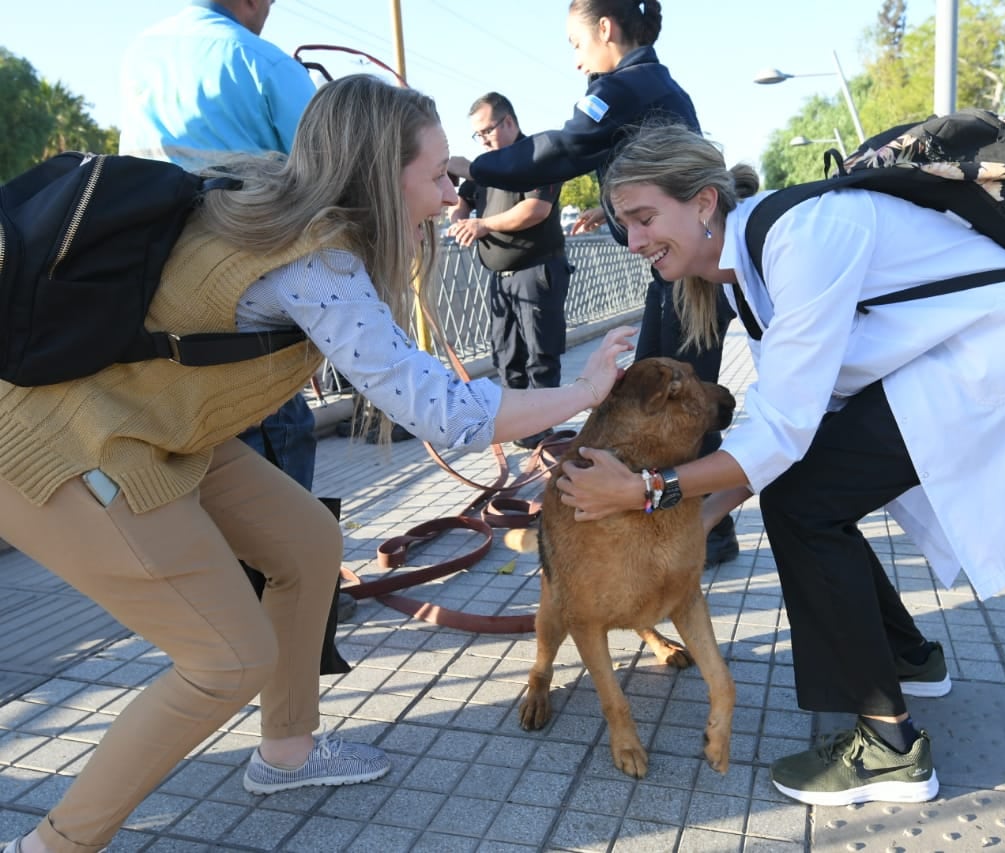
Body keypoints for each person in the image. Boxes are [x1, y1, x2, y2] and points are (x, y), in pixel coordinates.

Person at [0, 75, 634, 853]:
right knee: (225, 657)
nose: (448, 196)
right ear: (376, 173)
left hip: (154, 421)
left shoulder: (282, 199)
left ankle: (287, 751)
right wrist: (582, 393)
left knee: (305, 539)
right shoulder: (316, 262)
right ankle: (53, 845)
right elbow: (442, 412)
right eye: (436, 176)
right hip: (61, 441)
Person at [554, 124, 1005, 806]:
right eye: (625, 225)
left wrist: (650, 490)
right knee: (803, 491)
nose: (634, 242)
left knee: (804, 503)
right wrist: (702, 509)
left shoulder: (801, 237)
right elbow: (783, 422)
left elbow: (784, 432)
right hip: (958, 357)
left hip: (998, 353)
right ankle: (904, 656)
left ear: (703, 203)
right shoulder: (744, 271)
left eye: (644, 219)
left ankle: (888, 744)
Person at [447, 0, 740, 567]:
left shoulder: (631, 83)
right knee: (654, 391)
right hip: (677, 270)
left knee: (679, 400)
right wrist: (614, 214)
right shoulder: (651, 86)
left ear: (606, 29)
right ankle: (670, 519)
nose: (578, 62)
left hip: (690, 279)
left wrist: (473, 167)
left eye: (577, 45)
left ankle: (703, 529)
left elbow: (563, 148)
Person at [117, 0, 354, 620]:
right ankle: (297, 600)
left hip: (161, 299)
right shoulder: (260, 62)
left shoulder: (143, 54)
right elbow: (334, 179)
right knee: (277, 435)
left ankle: (226, 600)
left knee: (209, 452)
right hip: (247, 296)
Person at [448, 93, 573, 450]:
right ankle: (517, 426)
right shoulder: (486, 166)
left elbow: (535, 210)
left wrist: (483, 225)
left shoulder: (537, 157)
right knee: (506, 354)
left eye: (487, 130)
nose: (484, 139)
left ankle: (544, 433)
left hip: (535, 271)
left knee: (540, 355)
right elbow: (466, 198)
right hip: (500, 276)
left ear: (508, 122)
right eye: (477, 135)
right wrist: (460, 211)